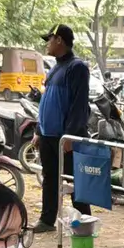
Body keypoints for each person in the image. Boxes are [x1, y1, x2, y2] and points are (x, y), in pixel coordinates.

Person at [33, 24, 91, 234]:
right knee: (50, 178)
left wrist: (70, 135)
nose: (47, 44)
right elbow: (45, 102)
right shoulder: (55, 68)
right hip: (48, 135)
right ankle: (47, 220)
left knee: (75, 182)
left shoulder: (77, 67)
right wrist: (38, 131)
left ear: (59, 40)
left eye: (49, 40)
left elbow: (79, 104)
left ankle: (84, 224)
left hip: (65, 138)